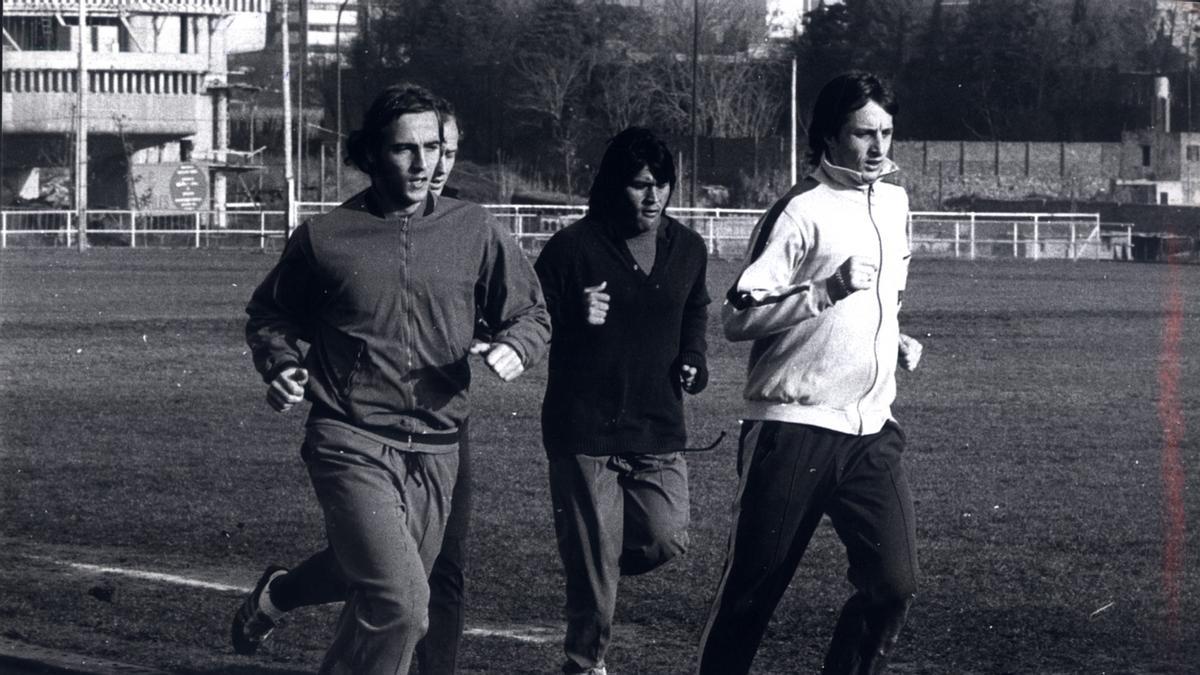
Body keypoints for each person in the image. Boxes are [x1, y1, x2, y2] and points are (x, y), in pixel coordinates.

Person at [239, 84, 550, 675]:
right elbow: (271, 315)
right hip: (349, 440)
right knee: (404, 606)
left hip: (437, 450)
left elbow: (531, 313)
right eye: (405, 149)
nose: (422, 163)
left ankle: (277, 597)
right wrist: (279, 364)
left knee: (379, 598)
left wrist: (518, 346)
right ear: (373, 153)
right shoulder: (325, 236)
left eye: (432, 147)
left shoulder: (475, 229)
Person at [696, 71, 923, 675]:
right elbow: (736, 316)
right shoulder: (800, 211)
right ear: (827, 134)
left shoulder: (896, 202)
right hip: (793, 429)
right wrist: (822, 291)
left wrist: (891, 334)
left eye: (887, 132)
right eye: (862, 134)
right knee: (751, 594)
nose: (878, 148)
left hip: (872, 430)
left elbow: (882, 296)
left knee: (893, 585)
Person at [534, 127, 711, 675]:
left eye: (662, 184)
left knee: (665, 538)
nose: (653, 196)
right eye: (639, 185)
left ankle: (593, 558)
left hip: (657, 424)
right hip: (583, 427)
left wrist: (694, 357)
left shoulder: (688, 248)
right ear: (614, 186)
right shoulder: (571, 248)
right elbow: (528, 322)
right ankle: (585, 664)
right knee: (595, 576)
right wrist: (570, 315)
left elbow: (694, 311)